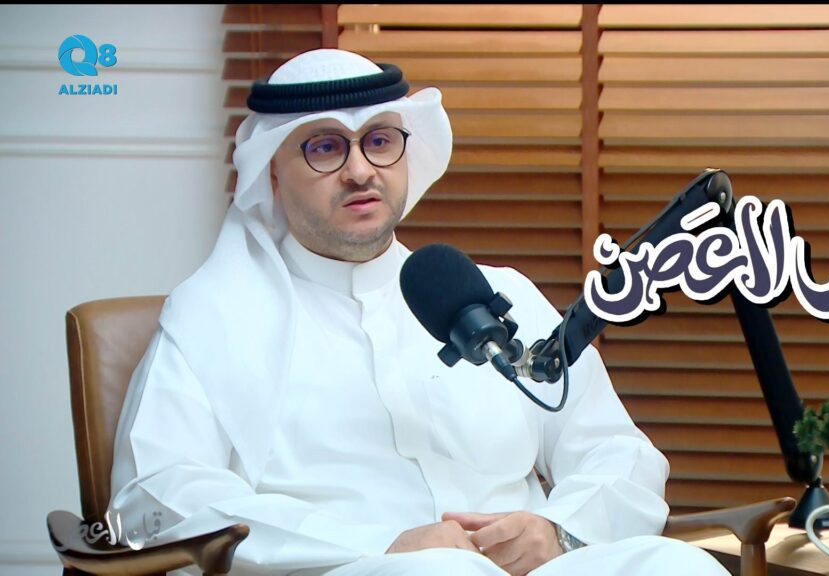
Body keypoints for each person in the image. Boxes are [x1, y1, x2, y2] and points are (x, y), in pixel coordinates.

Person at [108, 48, 729, 576]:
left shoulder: (494, 293)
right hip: (349, 569)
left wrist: (558, 529)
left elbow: (617, 450)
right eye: (324, 148)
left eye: (380, 142)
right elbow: (155, 497)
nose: (359, 171)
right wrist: (377, 546)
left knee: (679, 566)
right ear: (272, 172)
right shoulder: (217, 318)